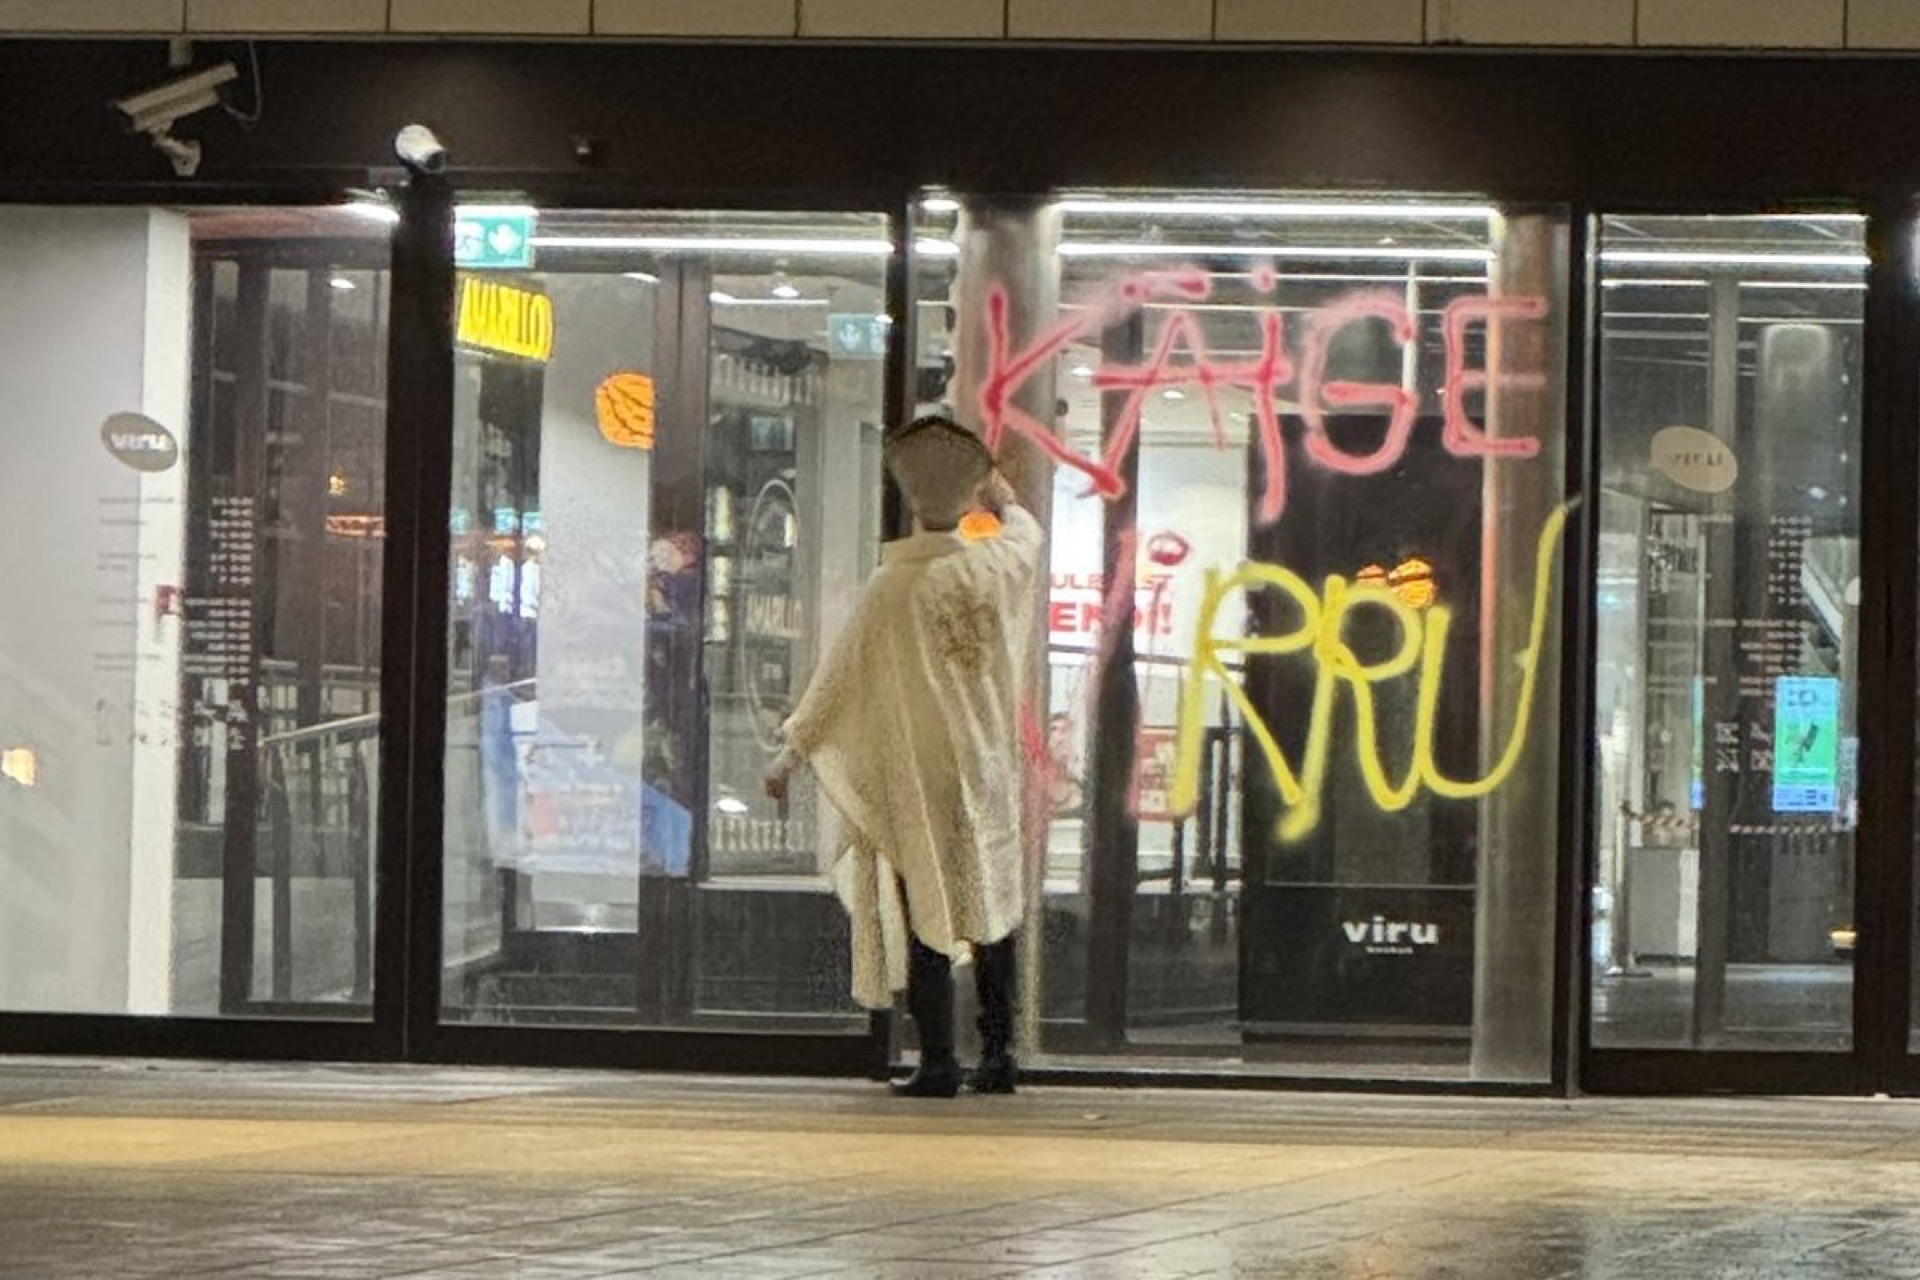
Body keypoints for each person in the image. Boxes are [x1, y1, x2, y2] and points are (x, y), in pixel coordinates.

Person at [765, 412, 1042, 1098]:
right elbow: (1027, 535)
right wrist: (1001, 497)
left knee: (925, 913)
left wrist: (790, 755)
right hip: (984, 768)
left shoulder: (892, 588)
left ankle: (939, 1058)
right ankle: (1000, 1052)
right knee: (993, 905)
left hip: (916, 774)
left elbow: (836, 679)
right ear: (967, 498)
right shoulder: (992, 568)